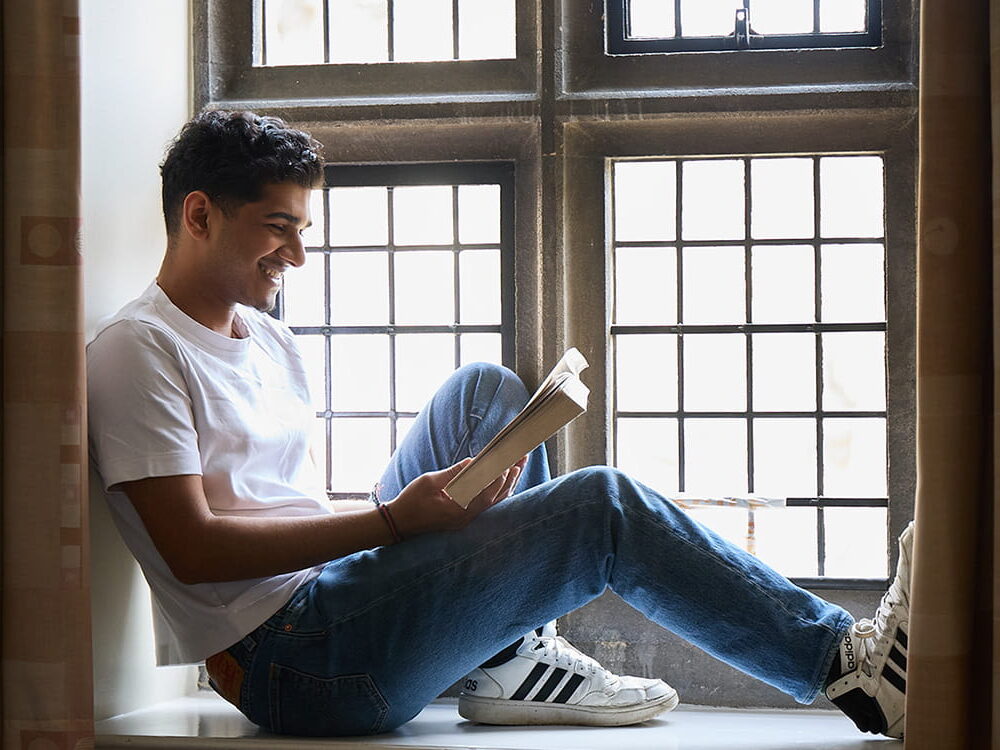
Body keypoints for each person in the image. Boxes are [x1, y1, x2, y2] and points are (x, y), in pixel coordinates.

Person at [87, 110, 912, 740]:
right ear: (199, 216)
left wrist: (408, 525)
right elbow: (190, 549)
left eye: (303, 230)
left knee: (484, 392)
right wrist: (389, 522)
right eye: (279, 227)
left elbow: (280, 501)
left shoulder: (263, 333)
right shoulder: (138, 350)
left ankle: (507, 660)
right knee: (600, 508)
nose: (297, 256)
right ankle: (847, 670)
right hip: (293, 662)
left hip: (328, 601)